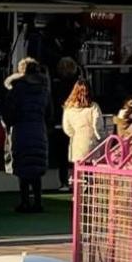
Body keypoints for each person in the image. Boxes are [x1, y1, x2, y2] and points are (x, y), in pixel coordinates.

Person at [1, 57, 51, 213]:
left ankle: (24, 201)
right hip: (38, 129)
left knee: (23, 166)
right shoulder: (44, 89)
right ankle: (37, 201)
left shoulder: (16, 89)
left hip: (21, 130)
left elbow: (8, 112)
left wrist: (8, 125)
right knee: (36, 166)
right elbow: (50, 113)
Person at [61, 79, 104, 180]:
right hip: (91, 142)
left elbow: (67, 128)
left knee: (79, 172)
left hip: (77, 142)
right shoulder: (93, 106)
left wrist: (75, 135)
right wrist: (99, 137)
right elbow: (98, 124)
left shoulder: (68, 108)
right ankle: (88, 191)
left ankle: (78, 193)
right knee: (90, 172)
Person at [51, 57, 80, 189]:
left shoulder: (56, 84)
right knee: (76, 154)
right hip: (76, 123)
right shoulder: (79, 84)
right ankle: (76, 180)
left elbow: (54, 103)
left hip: (60, 122)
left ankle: (64, 181)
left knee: (62, 154)